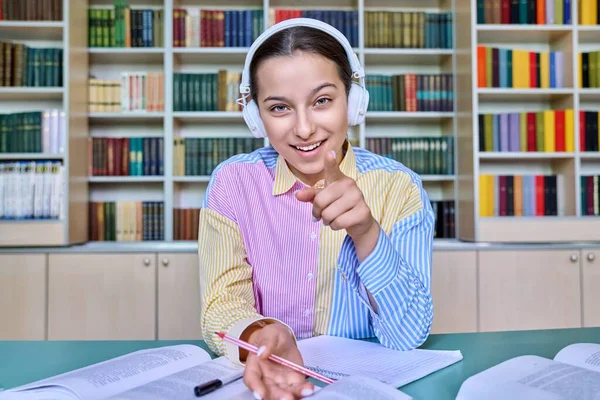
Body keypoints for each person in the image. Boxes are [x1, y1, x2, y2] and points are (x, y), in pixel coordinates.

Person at [197, 18, 435, 400]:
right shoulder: (232, 184)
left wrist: (367, 234)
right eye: (279, 108)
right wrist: (262, 334)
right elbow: (221, 307)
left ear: (353, 102)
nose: (304, 128)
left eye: (322, 100)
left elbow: (406, 334)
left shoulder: (399, 187)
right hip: (271, 383)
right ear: (256, 117)